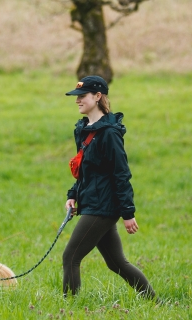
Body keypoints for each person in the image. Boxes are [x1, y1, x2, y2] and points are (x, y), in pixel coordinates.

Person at [62, 75, 155, 299]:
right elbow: (85, 170)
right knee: (117, 263)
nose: (77, 100)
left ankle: (67, 310)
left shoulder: (110, 134)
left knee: (71, 257)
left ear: (97, 96)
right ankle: (156, 302)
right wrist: (73, 195)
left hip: (103, 206)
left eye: (82, 96)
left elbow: (121, 174)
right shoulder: (84, 129)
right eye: (76, 97)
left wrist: (128, 213)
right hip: (93, 203)